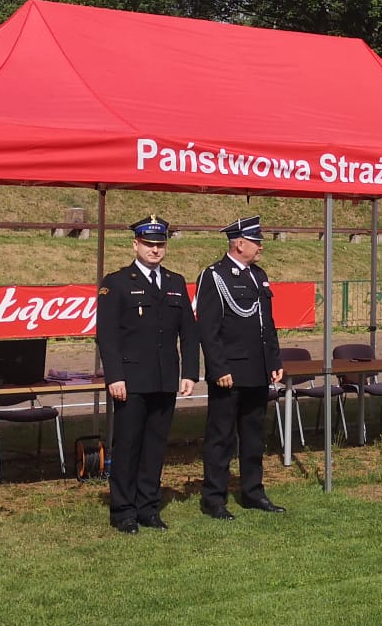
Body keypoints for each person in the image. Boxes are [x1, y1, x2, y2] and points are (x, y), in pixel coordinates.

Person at [95, 216, 199, 533]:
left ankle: (148, 507)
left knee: (155, 446)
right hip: (131, 379)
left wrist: (190, 372)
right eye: (149, 244)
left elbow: (189, 332)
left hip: (165, 378)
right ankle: (124, 510)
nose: (155, 250)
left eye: (160, 244)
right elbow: (107, 335)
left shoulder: (174, 282)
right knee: (128, 446)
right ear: (135, 245)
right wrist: (115, 376)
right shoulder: (117, 282)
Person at [196, 215, 285, 519]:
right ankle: (214, 498)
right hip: (229, 373)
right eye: (256, 241)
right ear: (239, 243)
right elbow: (208, 330)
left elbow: (267, 324)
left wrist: (274, 360)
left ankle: (253, 492)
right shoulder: (214, 276)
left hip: (257, 370)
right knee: (221, 437)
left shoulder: (258, 275)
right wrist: (219, 368)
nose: (261, 246)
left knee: (253, 436)